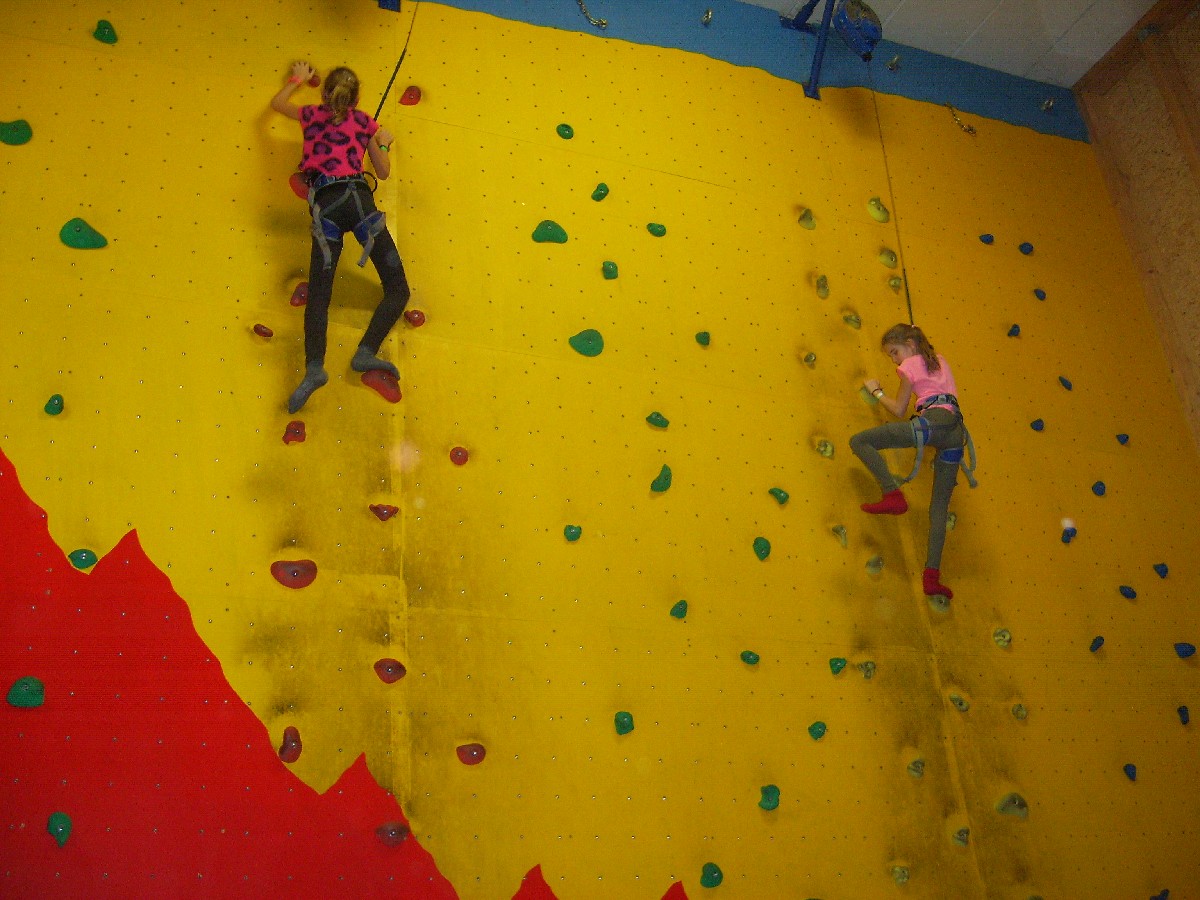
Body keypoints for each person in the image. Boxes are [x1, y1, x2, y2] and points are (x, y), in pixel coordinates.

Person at [270, 62, 412, 413]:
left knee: (319, 296)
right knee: (398, 290)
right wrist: (383, 144)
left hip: (326, 208)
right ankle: (365, 352)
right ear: (356, 99)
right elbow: (383, 172)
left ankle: (314, 368)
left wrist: (297, 79)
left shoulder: (310, 115)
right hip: (358, 204)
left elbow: (278, 104)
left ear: (323, 93)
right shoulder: (364, 122)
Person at [849, 324, 966, 600]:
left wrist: (877, 392)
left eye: (894, 352)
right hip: (955, 432)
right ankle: (931, 578)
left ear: (911, 344)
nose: (894, 360)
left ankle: (892, 494)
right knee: (939, 508)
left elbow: (899, 409)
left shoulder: (909, 365)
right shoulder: (940, 360)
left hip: (934, 423)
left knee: (860, 441)